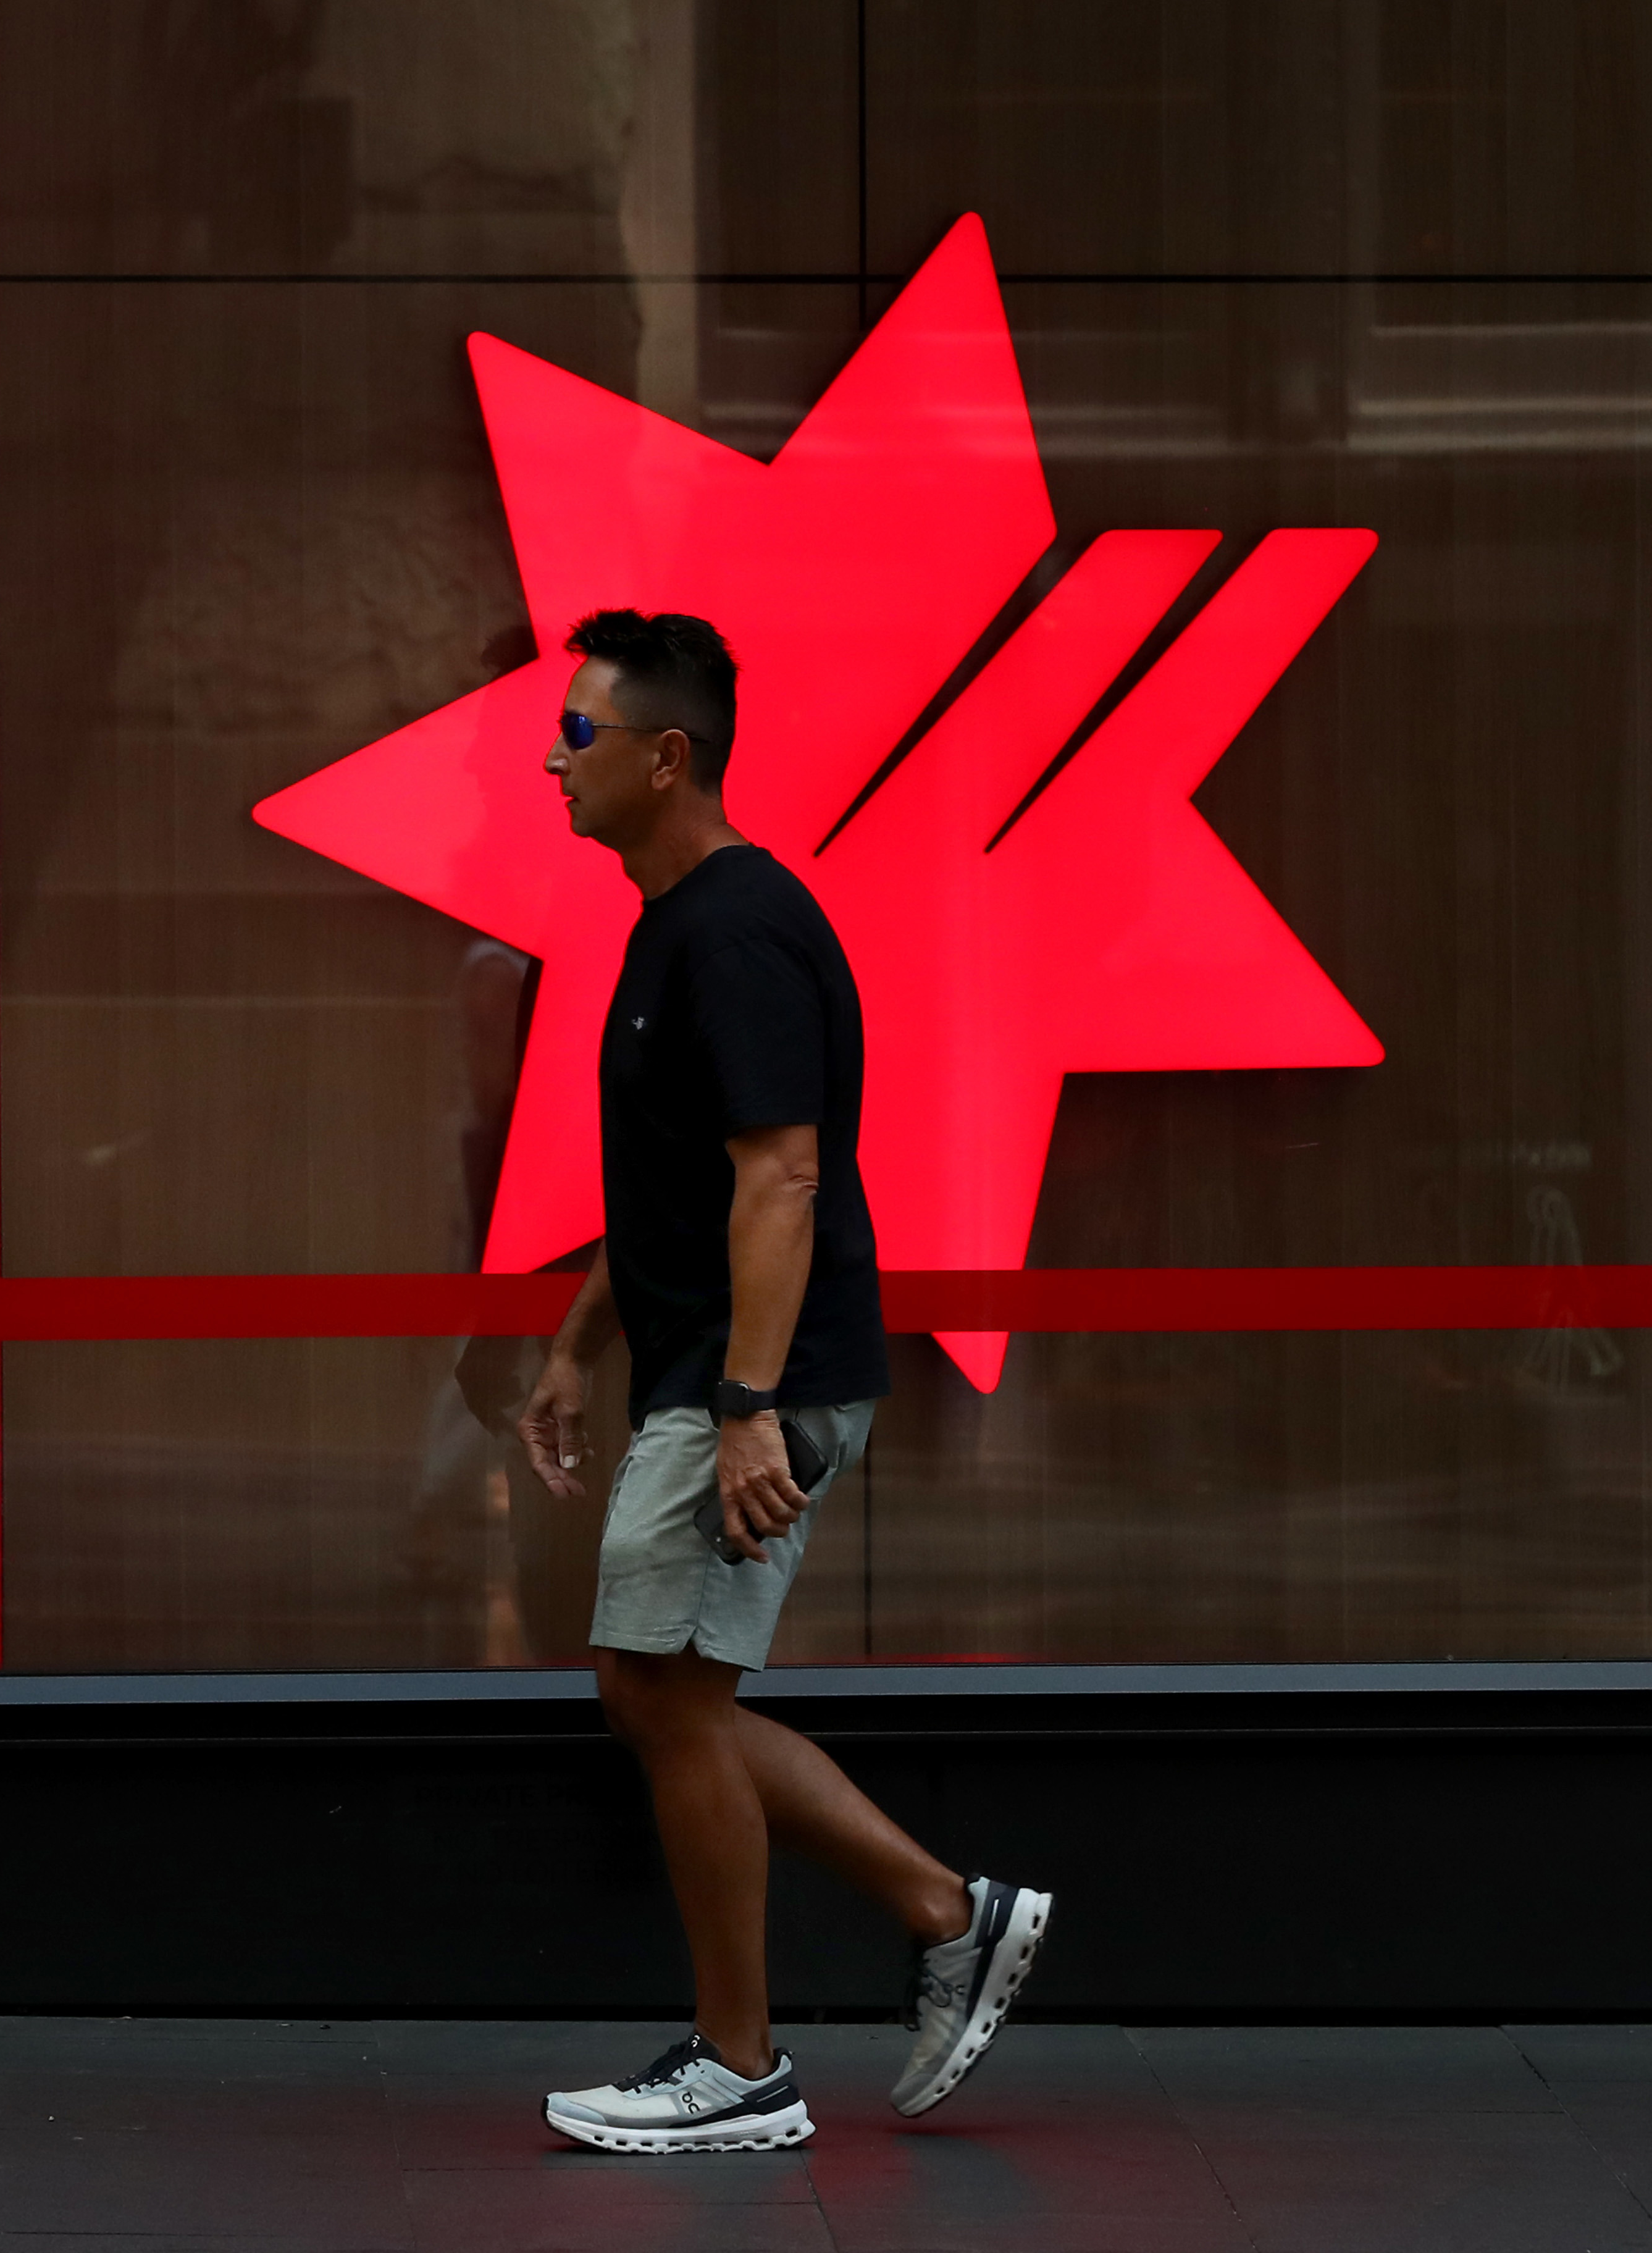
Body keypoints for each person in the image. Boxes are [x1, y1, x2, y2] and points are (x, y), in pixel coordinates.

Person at [517, 608, 1051, 2154]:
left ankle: (742, 2065)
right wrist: (575, 1341)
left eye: (577, 733)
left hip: (753, 1380)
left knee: (661, 1698)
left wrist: (746, 1405)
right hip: (709, 1368)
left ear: (663, 756)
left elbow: (782, 1180)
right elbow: (678, 1192)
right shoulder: (673, 925)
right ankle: (947, 1909)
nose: (553, 762)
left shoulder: (739, 931)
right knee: (664, 1693)